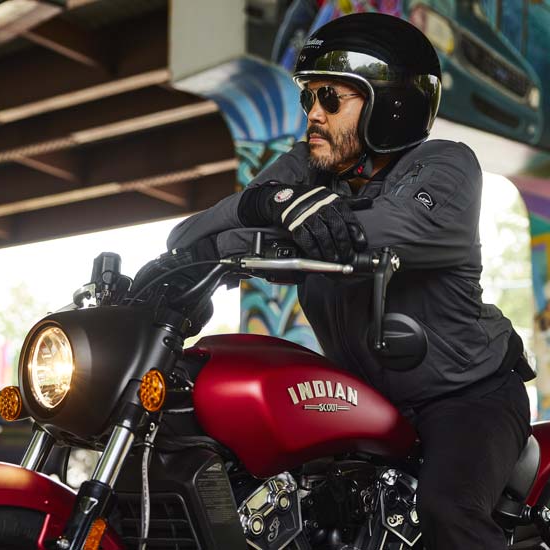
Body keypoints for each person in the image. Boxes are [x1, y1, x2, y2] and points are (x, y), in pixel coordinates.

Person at [165, 12, 532, 550]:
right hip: (362, 399)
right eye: (308, 97)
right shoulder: (308, 169)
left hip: (469, 396)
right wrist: (261, 203)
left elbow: (371, 231)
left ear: (391, 105)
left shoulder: (447, 167)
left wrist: (276, 221)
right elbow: (188, 238)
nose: (313, 114)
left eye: (331, 98)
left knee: (447, 510)